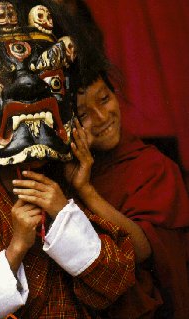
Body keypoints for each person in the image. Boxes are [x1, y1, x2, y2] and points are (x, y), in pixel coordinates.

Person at [0, 1, 135, 318]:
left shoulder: (72, 194)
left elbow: (120, 280)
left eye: (51, 83)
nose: (29, 91)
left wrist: (65, 215)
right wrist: (15, 250)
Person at [61, 74, 189, 318]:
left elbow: (141, 250)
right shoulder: (62, 171)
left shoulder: (154, 166)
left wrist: (87, 191)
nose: (101, 117)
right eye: (84, 115)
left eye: (104, 99)